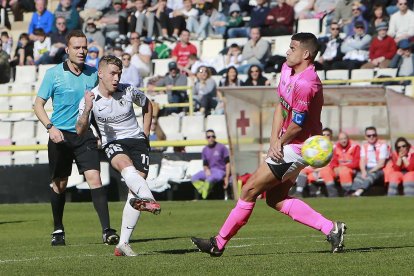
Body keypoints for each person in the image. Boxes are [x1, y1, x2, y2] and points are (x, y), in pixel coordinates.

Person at [191, 33, 347, 256]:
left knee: (248, 190)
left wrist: (280, 143)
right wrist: (274, 139)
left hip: (299, 146)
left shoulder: (307, 83)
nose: (287, 52)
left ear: (306, 54)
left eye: (292, 48)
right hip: (287, 142)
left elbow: (297, 124)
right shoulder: (286, 69)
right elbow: (281, 106)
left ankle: (218, 242)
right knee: (276, 199)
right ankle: (331, 229)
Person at [33, 30, 119, 246]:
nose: (82, 51)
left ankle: (107, 231)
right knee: (60, 185)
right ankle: (58, 229)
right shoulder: (53, 73)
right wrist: (50, 127)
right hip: (60, 136)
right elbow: (38, 105)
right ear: (67, 50)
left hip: (85, 136)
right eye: (77, 47)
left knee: (95, 179)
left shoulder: (93, 73)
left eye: (84, 47)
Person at [76, 55, 161, 257]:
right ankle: (149, 198)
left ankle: (123, 243)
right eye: (113, 73)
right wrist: (87, 110)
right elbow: (79, 130)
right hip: (112, 143)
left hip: (137, 141)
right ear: (101, 74)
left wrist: (146, 133)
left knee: (135, 188)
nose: (116, 78)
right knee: (126, 168)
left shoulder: (128, 90)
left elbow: (147, 104)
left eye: (119, 74)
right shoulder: (91, 98)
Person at [349, 126, 390, 197]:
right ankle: (352, 192)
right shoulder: (364, 146)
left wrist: (370, 171)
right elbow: (362, 160)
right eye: (369, 135)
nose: (371, 137)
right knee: (359, 177)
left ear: (376, 136)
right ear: (366, 137)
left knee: (370, 177)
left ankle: (359, 192)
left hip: (379, 169)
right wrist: (363, 171)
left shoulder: (383, 145)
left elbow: (381, 163)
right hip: (367, 168)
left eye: (373, 135)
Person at [191, 129, 231, 200]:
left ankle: (203, 197)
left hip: (220, 171)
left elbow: (228, 163)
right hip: (211, 170)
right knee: (194, 178)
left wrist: (227, 177)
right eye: (209, 137)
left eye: (213, 136)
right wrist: (206, 170)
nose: (211, 138)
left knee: (209, 179)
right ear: (206, 138)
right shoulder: (205, 150)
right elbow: (205, 164)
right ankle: (204, 191)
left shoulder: (222, 147)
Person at [295, 127, 334, 197]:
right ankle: (298, 192)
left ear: (331, 136)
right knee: (304, 171)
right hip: (316, 167)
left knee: (319, 173)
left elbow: (333, 163)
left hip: (327, 169)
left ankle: (332, 194)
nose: (325, 136)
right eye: (324, 134)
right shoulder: (317, 147)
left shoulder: (334, 147)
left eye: (327, 135)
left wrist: (318, 169)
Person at [327, 131, 361, 195]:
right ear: (339, 140)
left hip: (352, 169)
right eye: (341, 139)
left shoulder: (355, 146)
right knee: (325, 170)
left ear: (348, 138)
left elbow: (356, 163)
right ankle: (333, 194)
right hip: (338, 169)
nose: (343, 141)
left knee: (344, 171)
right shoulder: (336, 147)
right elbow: (333, 161)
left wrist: (344, 167)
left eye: (345, 138)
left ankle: (347, 192)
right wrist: (334, 168)